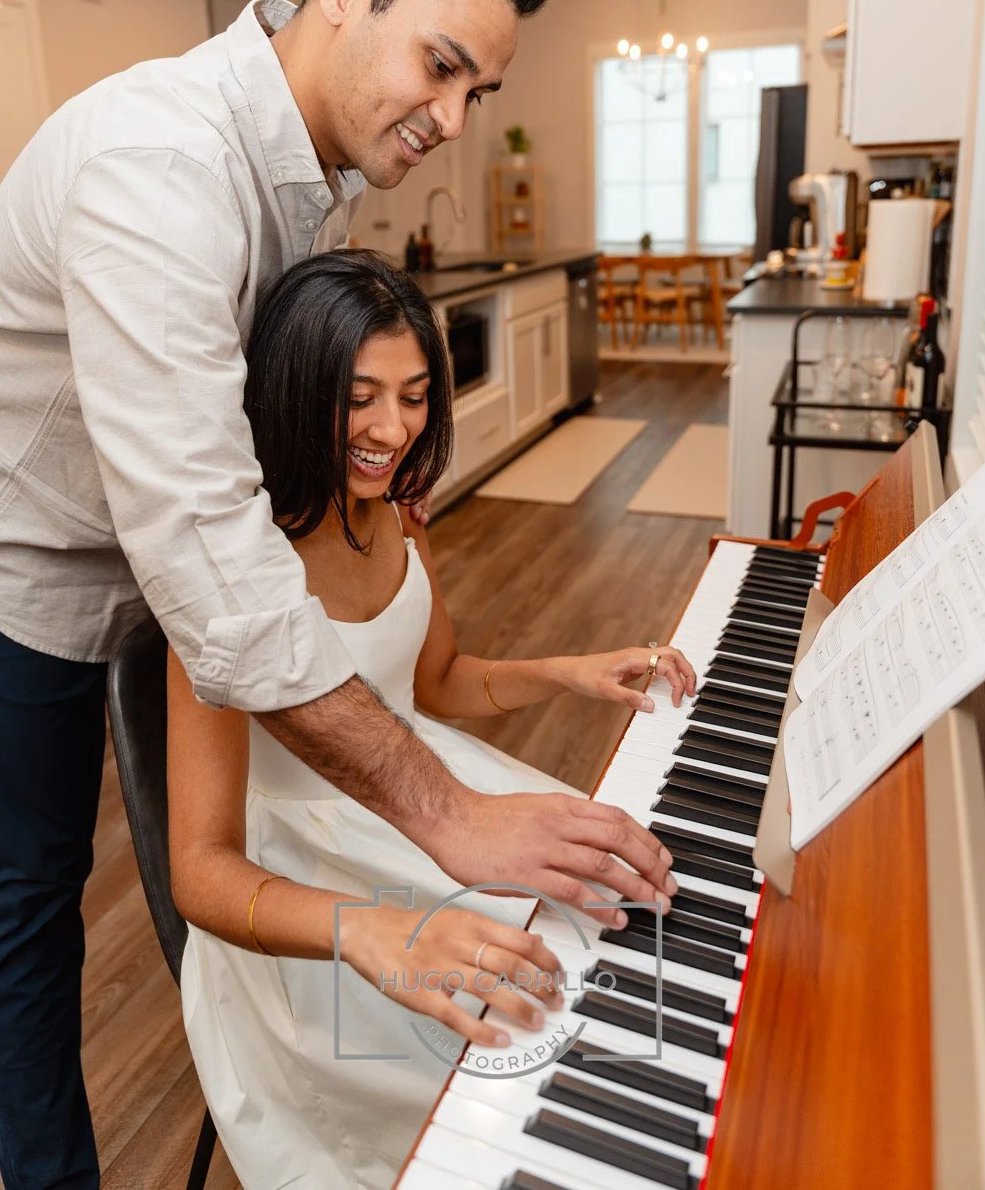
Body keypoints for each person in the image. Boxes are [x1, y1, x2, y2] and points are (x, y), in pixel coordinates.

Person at [0, 0, 682, 1189]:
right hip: (33, 563)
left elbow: (256, 404)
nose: (453, 120)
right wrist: (445, 816)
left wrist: (367, 450)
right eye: (440, 68)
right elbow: (203, 544)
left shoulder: (324, 167)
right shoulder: (162, 167)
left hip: (174, 555)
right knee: (29, 912)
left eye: (476, 91)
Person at [168, 250, 696, 1189]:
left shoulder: (397, 514)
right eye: (359, 396)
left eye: (414, 397)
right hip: (309, 870)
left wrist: (571, 672)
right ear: (297, 389)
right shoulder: (225, 581)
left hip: (425, 781)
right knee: (537, 1016)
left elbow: (439, 682)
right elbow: (199, 874)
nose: (389, 430)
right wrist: (368, 932)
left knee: (609, 905)